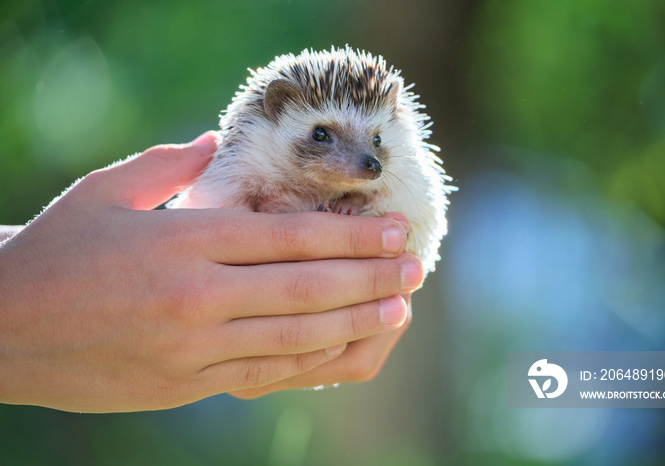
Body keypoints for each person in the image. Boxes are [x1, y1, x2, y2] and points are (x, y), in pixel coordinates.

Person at [0, 132, 423, 413]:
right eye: (321, 136)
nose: (364, 160)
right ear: (276, 112)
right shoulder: (251, 162)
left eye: (376, 141)